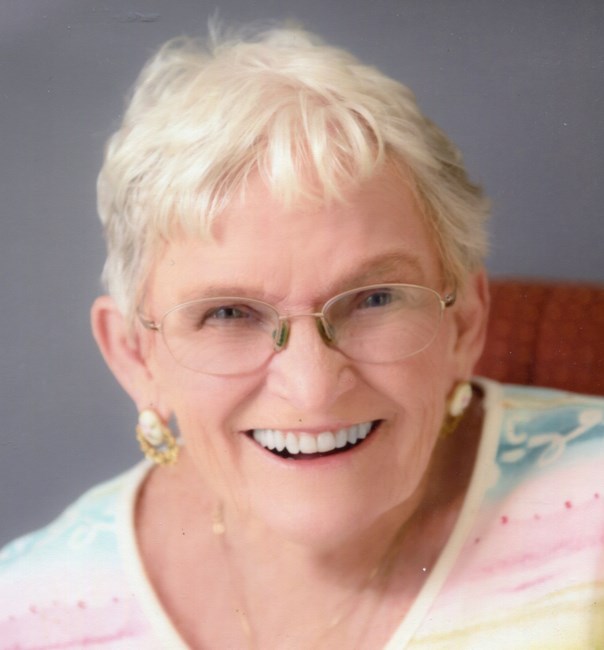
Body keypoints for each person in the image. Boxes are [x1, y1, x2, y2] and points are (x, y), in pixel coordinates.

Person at [1, 23, 603, 649]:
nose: (313, 388)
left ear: (465, 322)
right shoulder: (27, 615)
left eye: (374, 299)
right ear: (135, 355)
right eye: (229, 314)